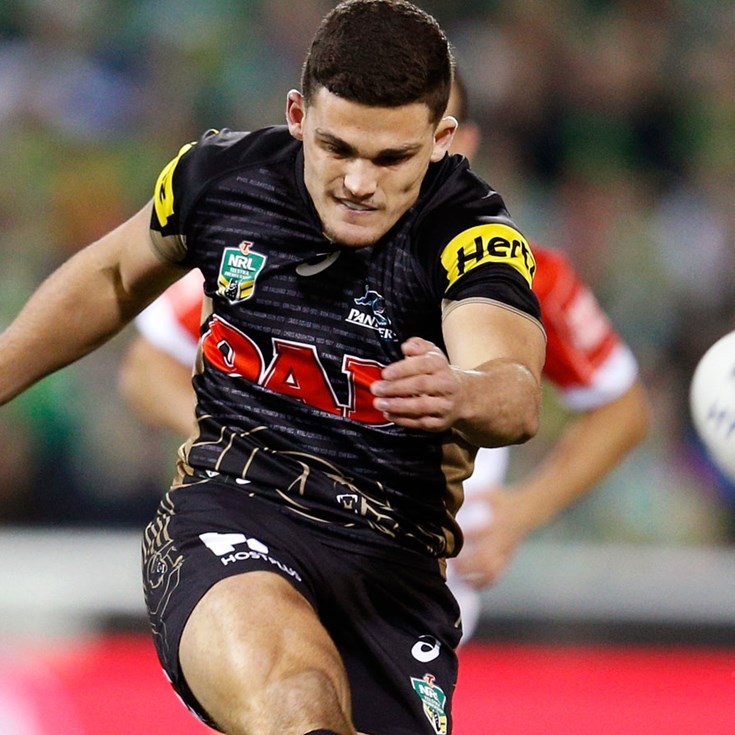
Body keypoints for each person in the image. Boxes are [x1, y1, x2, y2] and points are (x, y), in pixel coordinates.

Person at [0, 3, 546, 734]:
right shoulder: (220, 179)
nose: (358, 182)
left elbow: (514, 388)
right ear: (297, 115)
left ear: (441, 140)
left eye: (390, 159)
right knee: (298, 701)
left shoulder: (472, 236)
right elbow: (113, 277)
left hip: (391, 573)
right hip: (232, 511)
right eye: (336, 147)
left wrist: (465, 391)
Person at [120, 72, 650, 642]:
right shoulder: (271, 240)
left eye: (405, 144)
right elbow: (147, 368)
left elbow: (622, 408)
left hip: (418, 585)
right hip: (271, 544)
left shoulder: (521, 275)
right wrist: (244, 452)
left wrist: (521, 512)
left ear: (456, 142)